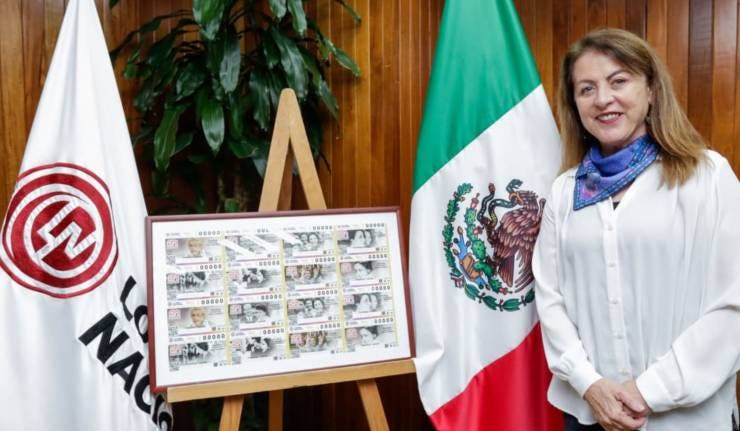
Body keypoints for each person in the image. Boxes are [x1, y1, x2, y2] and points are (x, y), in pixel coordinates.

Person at [533, 28, 740, 431]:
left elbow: (733, 304)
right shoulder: (564, 192)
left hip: (687, 420)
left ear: (651, 91)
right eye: (586, 89)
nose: (603, 99)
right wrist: (589, 383)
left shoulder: (707, 177)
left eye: (618, 81)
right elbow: (550, 298)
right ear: (575, 105)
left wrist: (647, 391)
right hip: (590, 413)